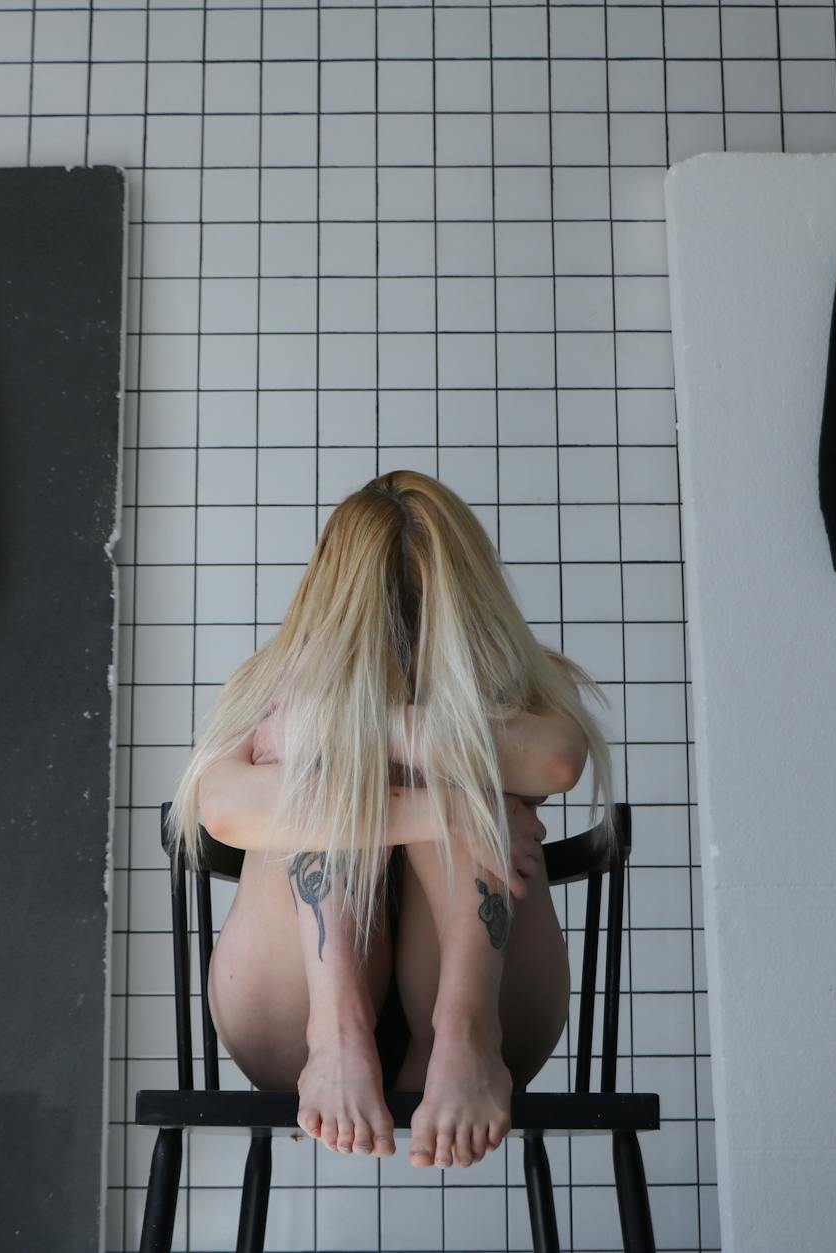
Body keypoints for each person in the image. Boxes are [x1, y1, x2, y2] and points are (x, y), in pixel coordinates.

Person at [166, 469, 617, 1170]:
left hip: (496, 1013)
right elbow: (220, 806)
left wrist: (358, 726)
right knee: (332, 788)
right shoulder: (274, 678)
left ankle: (463, 1034)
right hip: (291, 1016)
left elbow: (560, 759)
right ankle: (338, 1028)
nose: (403, 639)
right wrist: (451, 815)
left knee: (450, 753)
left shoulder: (515, 677)